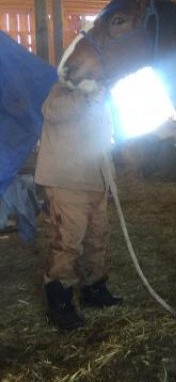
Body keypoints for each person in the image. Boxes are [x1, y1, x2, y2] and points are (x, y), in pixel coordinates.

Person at [35, 81, 122, 332]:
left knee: (98, 237)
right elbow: (50, 111)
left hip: (96, 180)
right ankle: (59, 301)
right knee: (69, 240)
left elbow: (104, 141)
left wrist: (110, 179)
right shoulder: (63, 90)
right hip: (66, 181)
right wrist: (86, 96)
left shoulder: (101, 97)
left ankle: (93, 288)